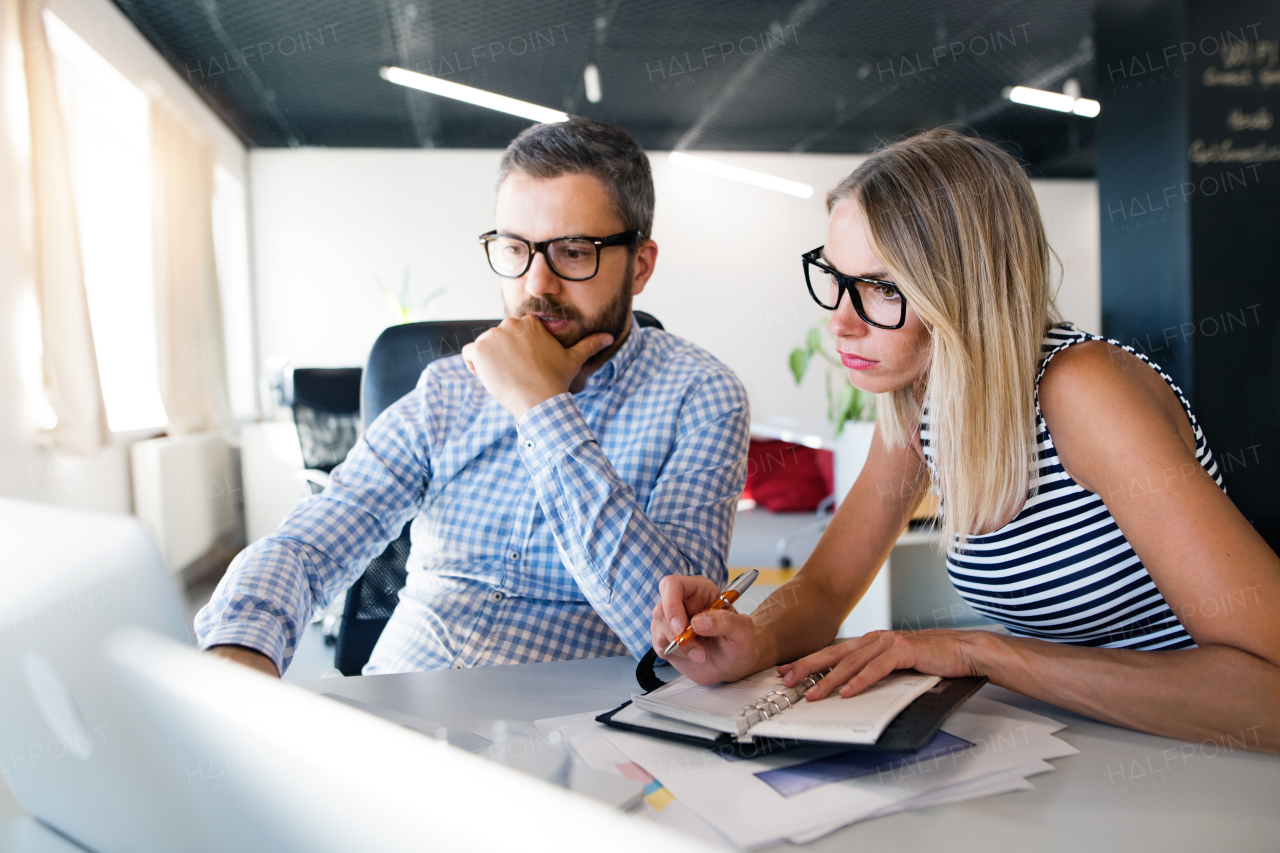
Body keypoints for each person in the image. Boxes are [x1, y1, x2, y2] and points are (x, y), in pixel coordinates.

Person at [651, 128, 1280, 753]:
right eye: (837, 278)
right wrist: (747, 640)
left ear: (966, 293)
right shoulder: (922, 395)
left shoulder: (1084, 391)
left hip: (1210, 759)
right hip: (1089, 744)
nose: (839, 323)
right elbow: (824, 590)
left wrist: (979, 650)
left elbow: (1268, 692)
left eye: (885, 288)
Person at [198, 117, 749, 677]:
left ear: (640, 266)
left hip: (577, 731)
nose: (536, 286)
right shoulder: (448, 388)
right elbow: (317, 537)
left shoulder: (702, 396)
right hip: (405, 704)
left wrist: (540, 406)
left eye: (575, 252)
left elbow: (677, 637)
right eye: (515, 249)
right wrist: (241, 646)